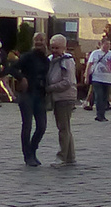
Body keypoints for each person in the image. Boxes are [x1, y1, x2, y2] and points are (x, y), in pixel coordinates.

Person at [13, 35, 51, 167]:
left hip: (40, 95)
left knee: (41, 126)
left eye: (41, 40)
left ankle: (32, 150)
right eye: (36, 40)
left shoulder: (46, 59)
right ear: (33, 42)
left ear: (45, 42)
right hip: (27, 94)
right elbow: (12, 68)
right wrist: (21, 78)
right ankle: (27, 155)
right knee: (27, 125)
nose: (39, 42)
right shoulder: (27, 56)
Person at [45, 34, 77, 165]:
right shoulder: (51, 59)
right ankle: (70, 156)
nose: (54, 50)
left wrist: (51, 87)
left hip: (65, 97)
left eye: (57, 47)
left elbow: (67, 82)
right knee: (65, 127)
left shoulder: (67, 61)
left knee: (63, 128)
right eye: (52, 47)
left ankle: (62, 156)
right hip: (57, 97)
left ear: (64, 47)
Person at [85, 37, 111, 122]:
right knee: (99, 95)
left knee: (105, 97)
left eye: (109, 44)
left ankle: (102, 115)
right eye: (106, 44)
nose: (108, 46)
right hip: (97, 79)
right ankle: (99, 115)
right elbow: (89, 65)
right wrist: (86, 76)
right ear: (101, 44)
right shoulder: (95, 53)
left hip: (108, 79)